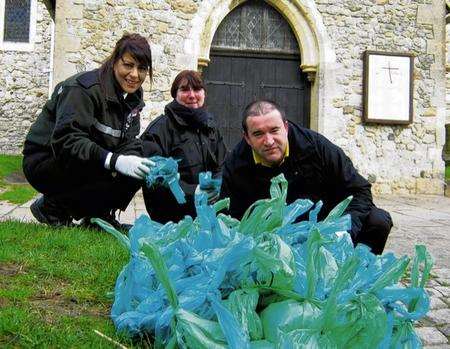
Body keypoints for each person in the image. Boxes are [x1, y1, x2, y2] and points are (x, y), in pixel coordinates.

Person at [220, 100, 392, 254]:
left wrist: (342, 230)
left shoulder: (317, 147)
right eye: (258, 134)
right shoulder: (235, 165)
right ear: (247, 138)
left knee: (378, 220)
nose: (269, 141)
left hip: (324, 228)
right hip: (271, 241)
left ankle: (358, 274)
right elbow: (232, 218)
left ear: (286, 128)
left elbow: (359, 191)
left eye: (274, 130)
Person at [23, 33, 154, 229]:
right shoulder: (84, 89)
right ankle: (53, 206)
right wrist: (115, 161)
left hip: (89, 160)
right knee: (100, 166)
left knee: (139, 167)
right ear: (114, 62)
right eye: (128, 65)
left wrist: (141, 163)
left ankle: (98, 217)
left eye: (142, 68)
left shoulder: (132, 96)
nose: (135, 75)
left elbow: (129, 140)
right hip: (46, 158)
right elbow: (67, 141)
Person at [141, 70, 227, 223]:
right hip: (172, 218)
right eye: (185, 89)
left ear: (204, 93)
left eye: (197, 89)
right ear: (175, 94)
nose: (192, 95)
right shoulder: (159, 129)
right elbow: (155, 177)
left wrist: (217, 186)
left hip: (208, 214)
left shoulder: (210, 126)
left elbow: (222, 163)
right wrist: (194, 191)